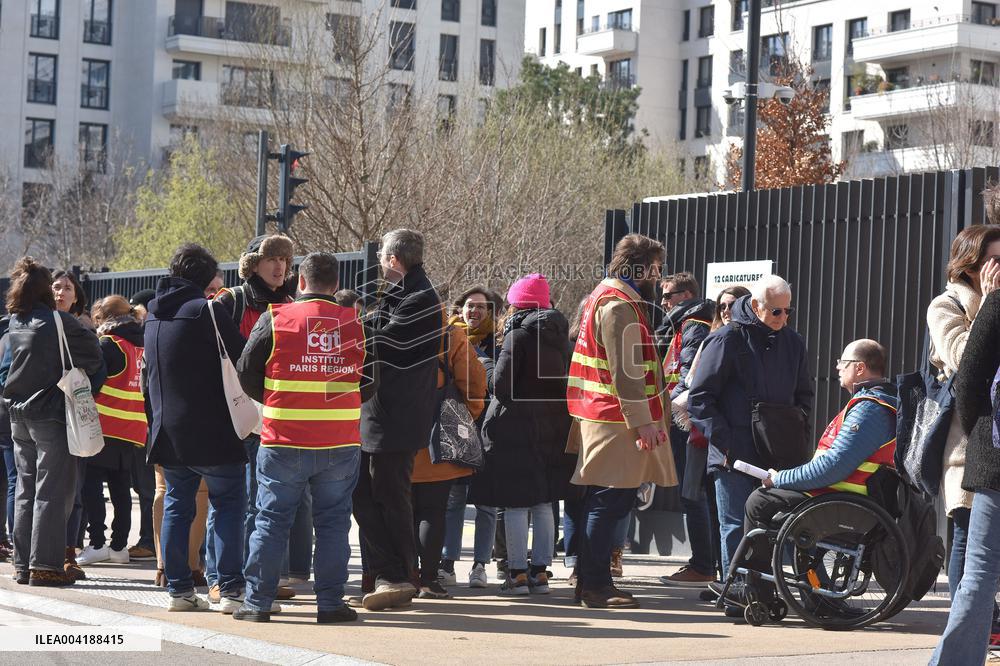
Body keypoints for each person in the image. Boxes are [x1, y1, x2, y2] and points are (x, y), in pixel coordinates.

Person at [235, 252, 378, 623]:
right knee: (333, 524)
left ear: (300, 281)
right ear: (335, 285)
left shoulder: (276, 319)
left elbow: (246, 372)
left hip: (283, 439)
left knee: (270, 521)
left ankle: (258, 603)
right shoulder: (357, 325)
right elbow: (371, 383)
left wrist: (278, 398)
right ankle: (330, 604)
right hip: (339, 443)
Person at [714, 340, 896, 613]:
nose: (836, 367)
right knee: (776, 507)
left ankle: (755, 592)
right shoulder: (871, 404)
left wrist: (780, 478)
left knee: (760, 501)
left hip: (846, 503)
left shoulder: (870, 409)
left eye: (842, 363)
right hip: (840, 498)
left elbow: (832, 467)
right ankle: (807, 597)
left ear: (859, 368)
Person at [566, 234, 678, 609]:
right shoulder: (619, 305)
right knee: (609, 502)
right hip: (616, 419)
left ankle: (589, 582)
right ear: (642, 267)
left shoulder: (608, 297)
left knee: (602, 501)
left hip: (604, 415)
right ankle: (596, 586)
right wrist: (643, 421)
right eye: (656, 267)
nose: (659, 275)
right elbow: (626, 372)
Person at [688, 275, 814, 582]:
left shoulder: (792, 342)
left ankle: (764, 590)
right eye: (776, 311)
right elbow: (701, 398)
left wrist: (796, 429)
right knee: (735, 526)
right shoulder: (727, 339)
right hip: (735, 454)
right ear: (756, 306)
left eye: (787, 312)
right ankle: (738, 593)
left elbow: (804, 396)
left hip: (779, 454)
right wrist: (726, 441)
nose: (782, 318)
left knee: (774, 527)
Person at [145, 244, 248, 612]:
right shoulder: (208, 310)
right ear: (206, 278)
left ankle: (179, 591)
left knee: (177, 506)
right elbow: (243, 356)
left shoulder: (153, 316)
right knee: (229, 503)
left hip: (169, 432)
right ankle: (231, 589)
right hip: (214, 430)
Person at [354, 229, 443, 611]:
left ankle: (400, 574)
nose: (377, 266)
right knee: (363, 494)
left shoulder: (421, 298)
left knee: (390, 496)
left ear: (393, 260)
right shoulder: (401, 294)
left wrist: (348, 325)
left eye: (381, 260)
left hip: (396, 418)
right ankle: (383, 572)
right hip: (380, 416)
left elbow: (384, 343)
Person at [3, 257, 106, 586]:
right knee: (52, 491)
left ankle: (22, 565)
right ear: (46, 289)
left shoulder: (15, 322)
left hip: (19, 416)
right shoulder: (60, 321)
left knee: (25, 490)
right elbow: (94, 357)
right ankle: (45, 566)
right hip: (52, 412)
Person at [473, 274, 573, 595]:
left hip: (516, 429)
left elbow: (501, 386)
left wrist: (486, 365)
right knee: (544, 501)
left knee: (516, 502)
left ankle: (516, 573)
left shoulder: (518, 335)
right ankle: (540, 573)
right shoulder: (562, 338)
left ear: (518, 303)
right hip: (552, 427)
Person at [926, 223, 1000, 645]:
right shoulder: (946, 305)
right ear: (972, 265)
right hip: (965, 438)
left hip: (991, 435)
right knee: (968, 535)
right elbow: (961, 360)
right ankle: (967, 632)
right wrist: (989, 306)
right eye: (994, 259)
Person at [215, 233, 298, 603]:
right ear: (253, 264)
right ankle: (222, 577)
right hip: (232, 416)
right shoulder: (229, 301)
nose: (279, 266)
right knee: (232, 501)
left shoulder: (293, 305)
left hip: (274, 419)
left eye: (284, 259)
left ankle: (259, 577)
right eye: (271, 259)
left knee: (266, 503)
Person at [411, 315, 486, 598]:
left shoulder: (384, 325)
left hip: (393, 435)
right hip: (438, 435)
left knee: (398, 510)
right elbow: (475, 382)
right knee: (433, 510)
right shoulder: (450, 334)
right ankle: (429, 579)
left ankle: (403, 575)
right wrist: (464, 416)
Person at [655, 272, 717, 587]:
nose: (663, 302)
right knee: (701, 494)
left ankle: (703, 565)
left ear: (686, 294)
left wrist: (666, 407)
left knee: (693, 494)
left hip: (685, 422)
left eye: (668, 296)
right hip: (689, 421)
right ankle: (708, 564)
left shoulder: (693, 325)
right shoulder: (687, 325)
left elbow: (687, 377)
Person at [76, 296, 146, 567]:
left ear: (102, 319)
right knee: (121, 488)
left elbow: (93, 382)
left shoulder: (108, 344)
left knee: (91, 486)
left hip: (104, 426)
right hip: (133, 428)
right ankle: (119, 547)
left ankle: (96, 543)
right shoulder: (140, 345)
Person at [440, 286, 502, 588]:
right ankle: (447, 563)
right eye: (469, 305)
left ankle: (480, 565)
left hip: (487, 430)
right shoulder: (448, 337)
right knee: (454, 499)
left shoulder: (499, 344)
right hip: (455, 427)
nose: (474, 311)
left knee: (487, 503)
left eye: (481, 307)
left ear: (491, 312)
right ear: (459, 308)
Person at [52, 269, 93, 582]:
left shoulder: (82, 328)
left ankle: (68, 553)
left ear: (76, 296)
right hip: (44, 414)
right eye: (56, 287)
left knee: (74, 489)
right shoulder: (37, 324)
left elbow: (98, 369)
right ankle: (36, 553)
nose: (61, 292)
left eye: (67, 288)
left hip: (74, 412)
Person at [126, 288, 156, 562]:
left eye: (136, 308)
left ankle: (149, 540)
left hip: (146, 424)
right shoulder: (147, 335)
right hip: (142, 423)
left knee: (149, 489)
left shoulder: (149, 333)